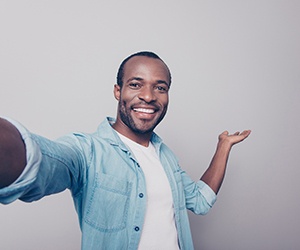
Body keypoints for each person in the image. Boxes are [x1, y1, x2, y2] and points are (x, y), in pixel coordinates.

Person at [0, 51, 251, 250]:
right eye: (135, 84)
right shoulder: (87, 151)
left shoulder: (166, 157)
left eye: (160, 87)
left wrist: (223, 146)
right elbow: (42, 159)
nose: (148, 96)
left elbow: (200, 201)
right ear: (118, 91)